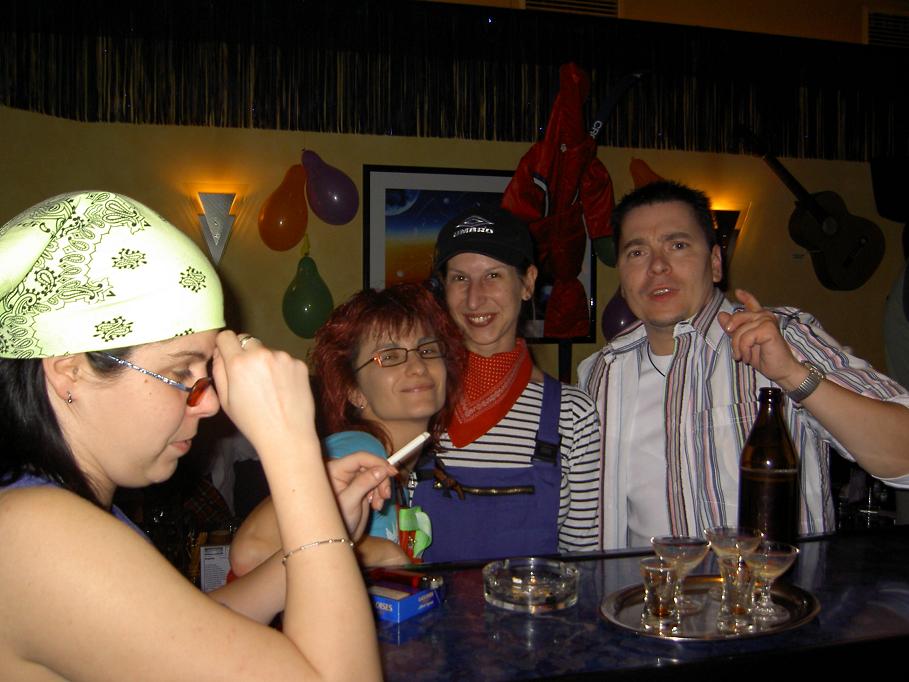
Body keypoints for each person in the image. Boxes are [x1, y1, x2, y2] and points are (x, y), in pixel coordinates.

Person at [0, 191, 390, 680]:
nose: (208, 403)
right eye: (180, 372)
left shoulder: (47, 512)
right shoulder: (37, 534)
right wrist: (293, 450)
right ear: (69, 371)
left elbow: (187, 632)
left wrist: (319, 526)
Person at [578, 180, 909, 549]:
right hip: (644, 587)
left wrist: (792, 374)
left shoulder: (782, 337)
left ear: (715, 263)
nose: (657, 266)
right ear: (622, 277)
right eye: (637, 252)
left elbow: (904, 457)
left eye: (678, 245)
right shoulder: (601, 371)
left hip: (769, 586)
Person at [230, 284, 467, 572]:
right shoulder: (359, 450)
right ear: (355, 391)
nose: (418, 366)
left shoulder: (397, 466)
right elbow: (251, 551)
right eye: (390, 356)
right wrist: (381, 553)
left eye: (427, 350)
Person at [411, 207, 602, 562]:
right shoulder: (415, 401)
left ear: (527, 283)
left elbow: (582, 558)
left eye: (493, 275)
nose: (474, 299)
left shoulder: (573, 413)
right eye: (460, 278)